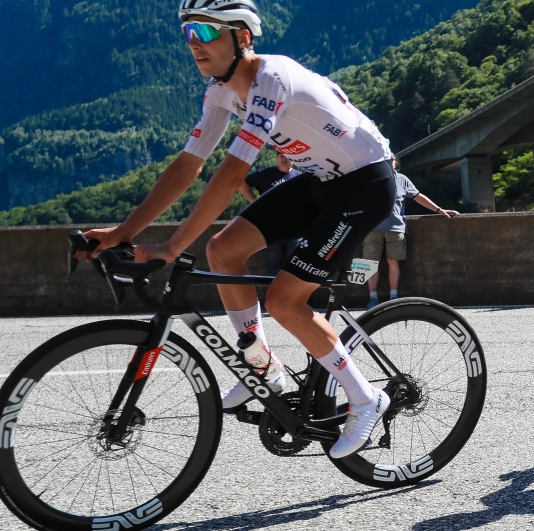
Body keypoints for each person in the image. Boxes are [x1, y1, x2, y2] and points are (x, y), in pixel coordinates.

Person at [81, 0, 397, 459]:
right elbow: (189, 165)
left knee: (285, 301)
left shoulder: (272, 78)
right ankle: (263, 368)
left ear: (242, 37)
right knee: (223, 249)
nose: (195, 45)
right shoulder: (221, 92)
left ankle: (367, 397)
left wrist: (171, 246)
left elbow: (230, 175)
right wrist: (122, 232)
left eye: (207, 33)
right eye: (189, 34)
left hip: (364, 184)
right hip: (320, 181)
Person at [363, 154, 459, 309]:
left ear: (395, 163)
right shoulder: (371, 177)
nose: (388, 163)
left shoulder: (402, 179)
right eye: (385, 161)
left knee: (393, 262)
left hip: (396, 227)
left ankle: (393, 297)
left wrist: (439, 209)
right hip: (372, 228)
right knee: (370, 264)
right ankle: (372, 298)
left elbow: (418, 196)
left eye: (391, 160)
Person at [238, 151, 302, 275]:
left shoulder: (300, 178)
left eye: (288, 157)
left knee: (296, 263)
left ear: (294, 159)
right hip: (269, 227)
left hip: (295, 227)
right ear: (277, 158)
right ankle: (275, 293)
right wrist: (255, 202)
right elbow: (241, 182)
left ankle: (293, 293)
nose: (284, 159)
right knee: (272, 264)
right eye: (281, 156)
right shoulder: (265, 174)